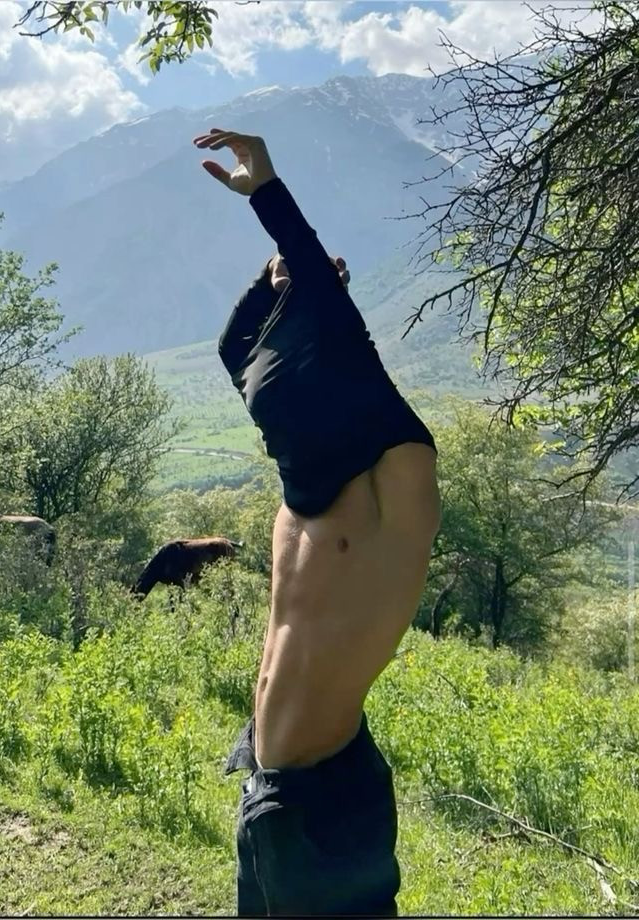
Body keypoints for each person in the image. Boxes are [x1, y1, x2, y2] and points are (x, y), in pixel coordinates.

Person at [193, 128, 441, 918]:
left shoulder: (397, 472)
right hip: (269, 793)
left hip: (327, 810)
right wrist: (271, 281)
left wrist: (270, 198)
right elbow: (236, 354)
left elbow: (347, 344)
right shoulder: (299, 498)